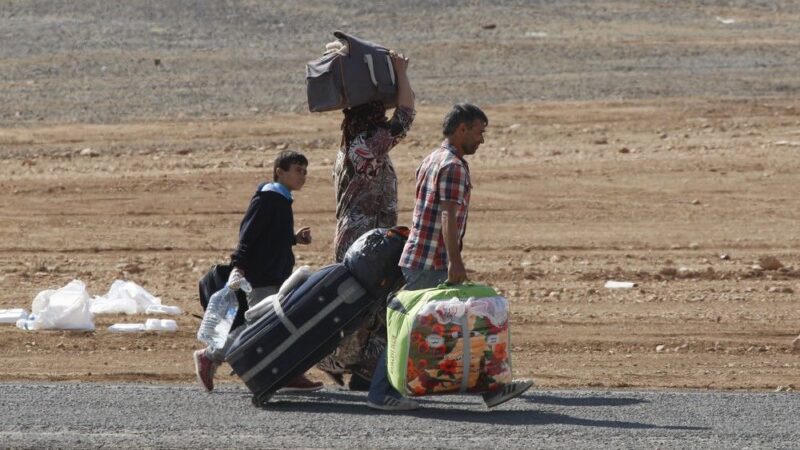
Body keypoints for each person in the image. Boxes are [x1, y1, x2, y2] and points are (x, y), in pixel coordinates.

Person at [367, 103, 534, 411]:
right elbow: (448, 217)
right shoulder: (453, 167)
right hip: (432, 261)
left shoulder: (431, 158)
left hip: (420, 255)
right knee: (415, 328)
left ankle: (491, 388)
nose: (481, 140)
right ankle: (381, 393)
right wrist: (455, 262)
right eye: (479, 132)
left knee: (459, 326)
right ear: (462, 130)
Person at [316, 50, 415, 390]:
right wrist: (401, 73)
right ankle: (333, 359)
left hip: (365, 237)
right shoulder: (365, 147)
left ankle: (363, 370)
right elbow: (404, 118)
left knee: (373, 306)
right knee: (365, 306)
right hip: (365, 240)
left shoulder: (351, 148)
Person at [193, 150, 323, 393]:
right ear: (279, 172)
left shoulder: (282, 199)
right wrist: (238, 267)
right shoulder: (267, 198)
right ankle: (210, 356)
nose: (302, 176)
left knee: (282, 324)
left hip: (275, 274)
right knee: (261, 326)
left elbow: (270, 237)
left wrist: (293, 239)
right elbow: (248, 235)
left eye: (305, 172)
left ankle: (289, 373)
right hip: (260, 276)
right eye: (297, 170)